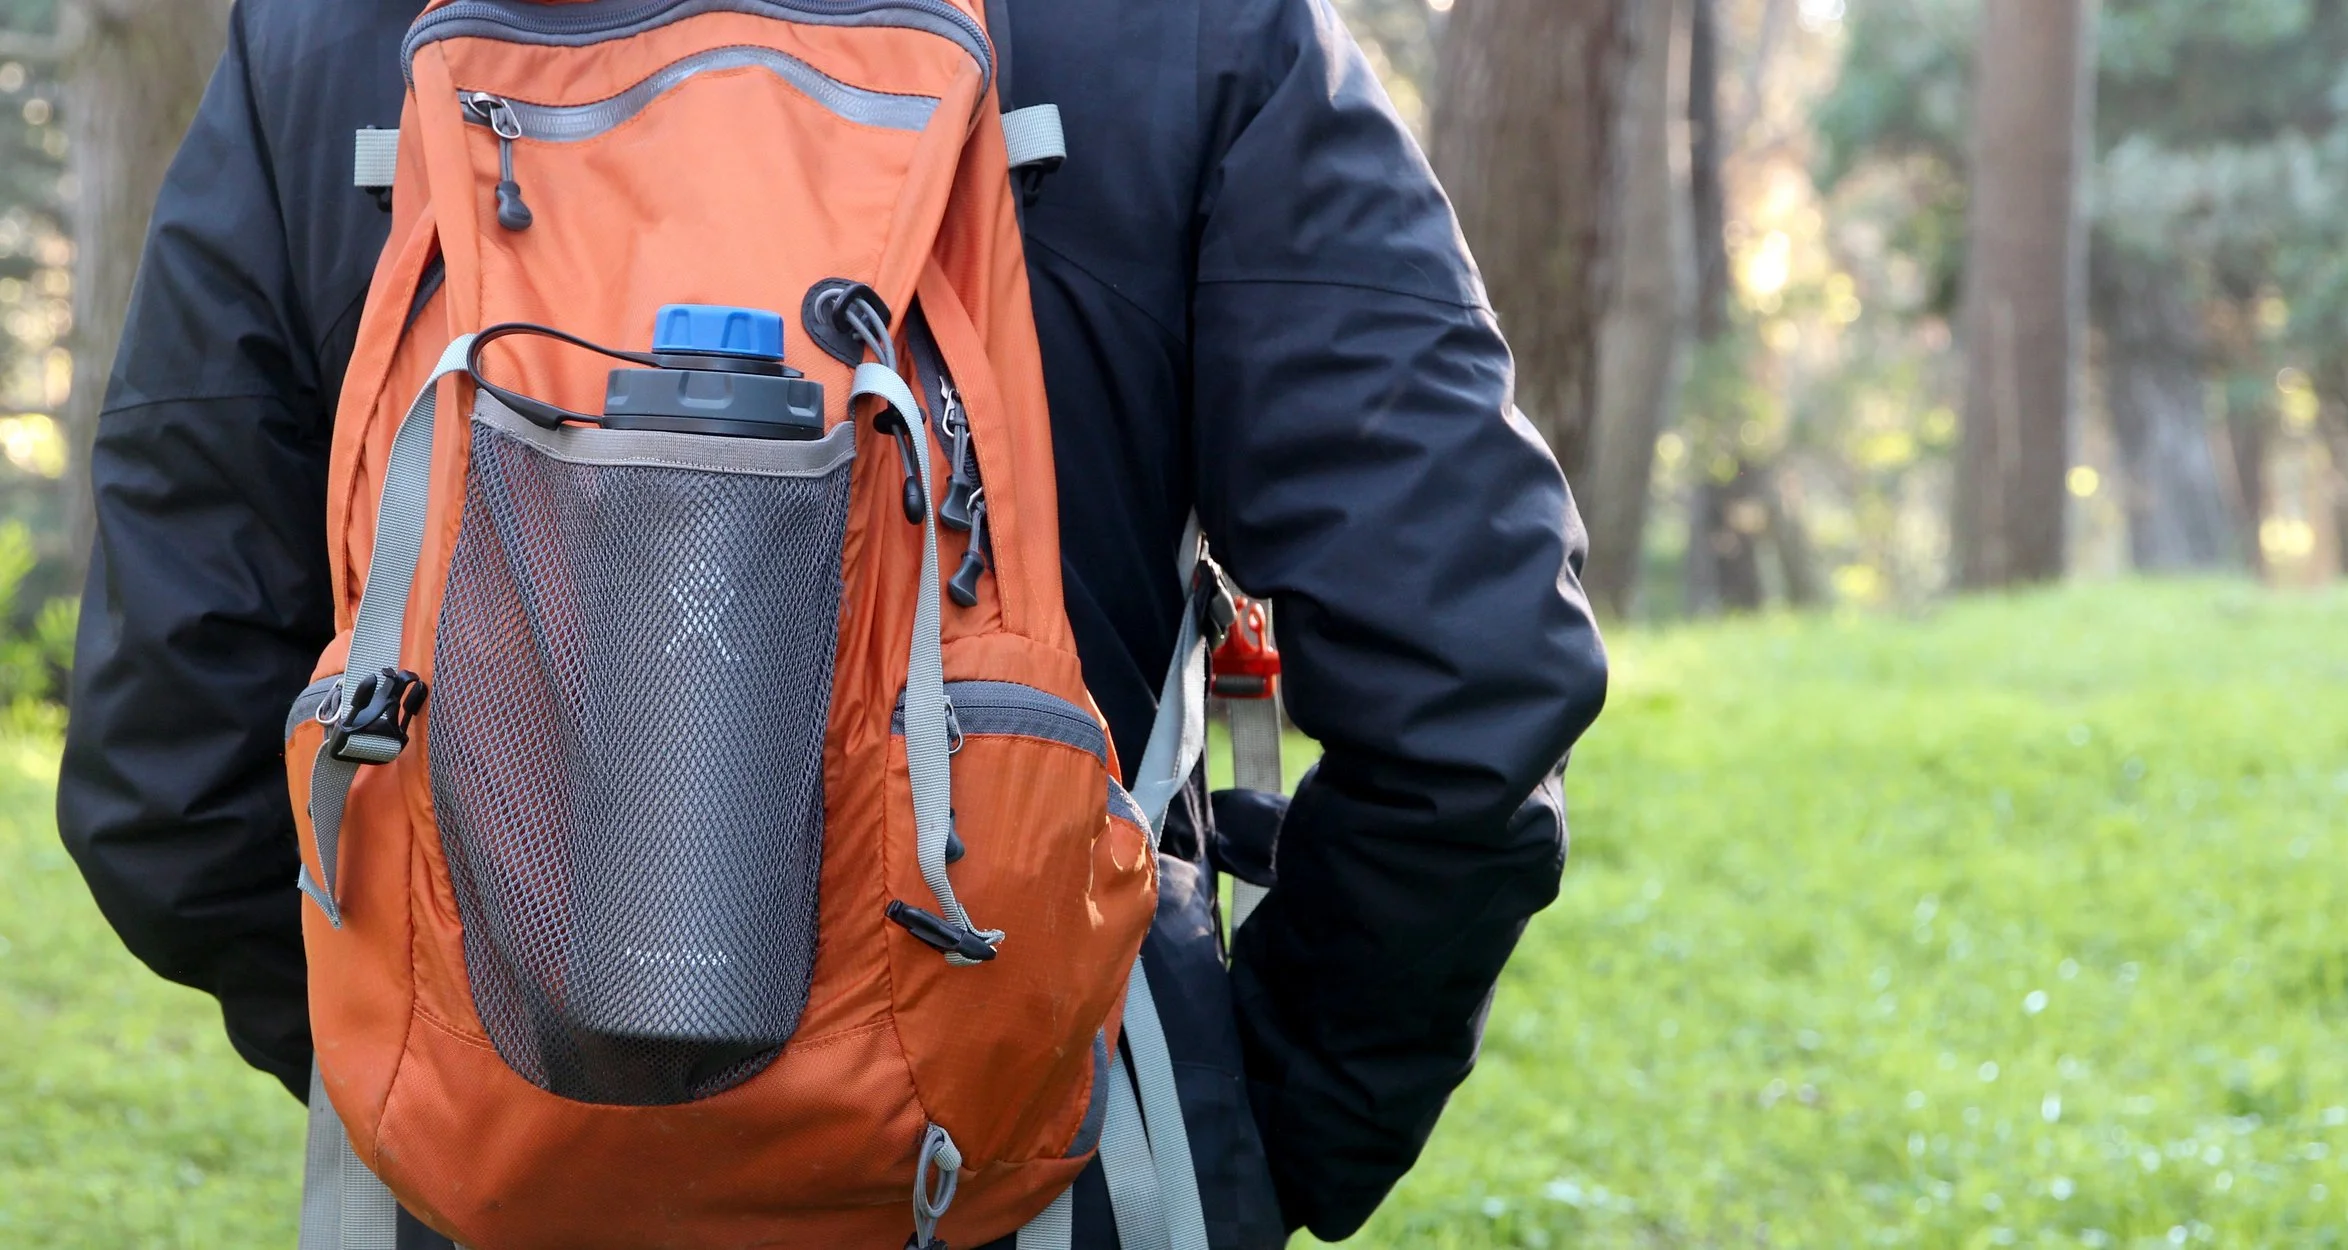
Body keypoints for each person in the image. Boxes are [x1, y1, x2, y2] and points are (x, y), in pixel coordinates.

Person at [57, 0, 1607, 1245]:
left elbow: (164, 759)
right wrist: (1271, 1109)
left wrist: (445, 1047)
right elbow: (1470, 678)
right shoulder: (1192, 31)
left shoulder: (323, 40)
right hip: (1052, 1167)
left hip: (476, 1184)